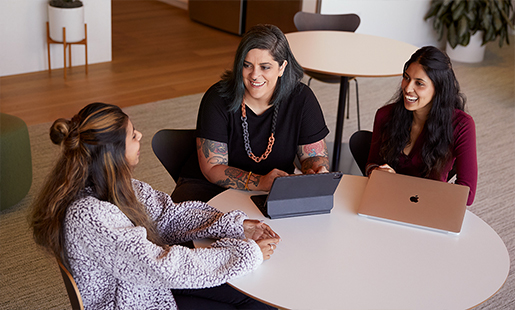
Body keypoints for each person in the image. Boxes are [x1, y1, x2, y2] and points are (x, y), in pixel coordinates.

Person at [29, 102, 281, 310]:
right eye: (132, 134)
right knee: (253, 302)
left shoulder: (120, 186)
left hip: (145, 287)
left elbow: (168, 216)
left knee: (253, 296)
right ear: (113, 154)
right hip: (133, 301)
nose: (140, 135)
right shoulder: (88, 216)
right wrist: (247, 253)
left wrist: (234, 226)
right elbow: (161, 266)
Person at [172, 24, 330, 203]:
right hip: (207, 187)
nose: (255, 75)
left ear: (282, 68)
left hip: (270, 190)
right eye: (247, 65)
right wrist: (260, 181)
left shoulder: (301, 99)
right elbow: (213, 167)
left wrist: (317, 170)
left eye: (265, 67)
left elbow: (313, 155)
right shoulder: (217, 97)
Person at [366, 46, 477, 206]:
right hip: (387, 199)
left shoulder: (461, 125)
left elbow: (468, 194)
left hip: (429, 206)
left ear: (438, 89)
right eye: (406, 78)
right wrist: (376, 171)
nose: (407, 88)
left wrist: (400, 183)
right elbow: (371, 162)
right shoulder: (385, 115)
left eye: (419, 83)